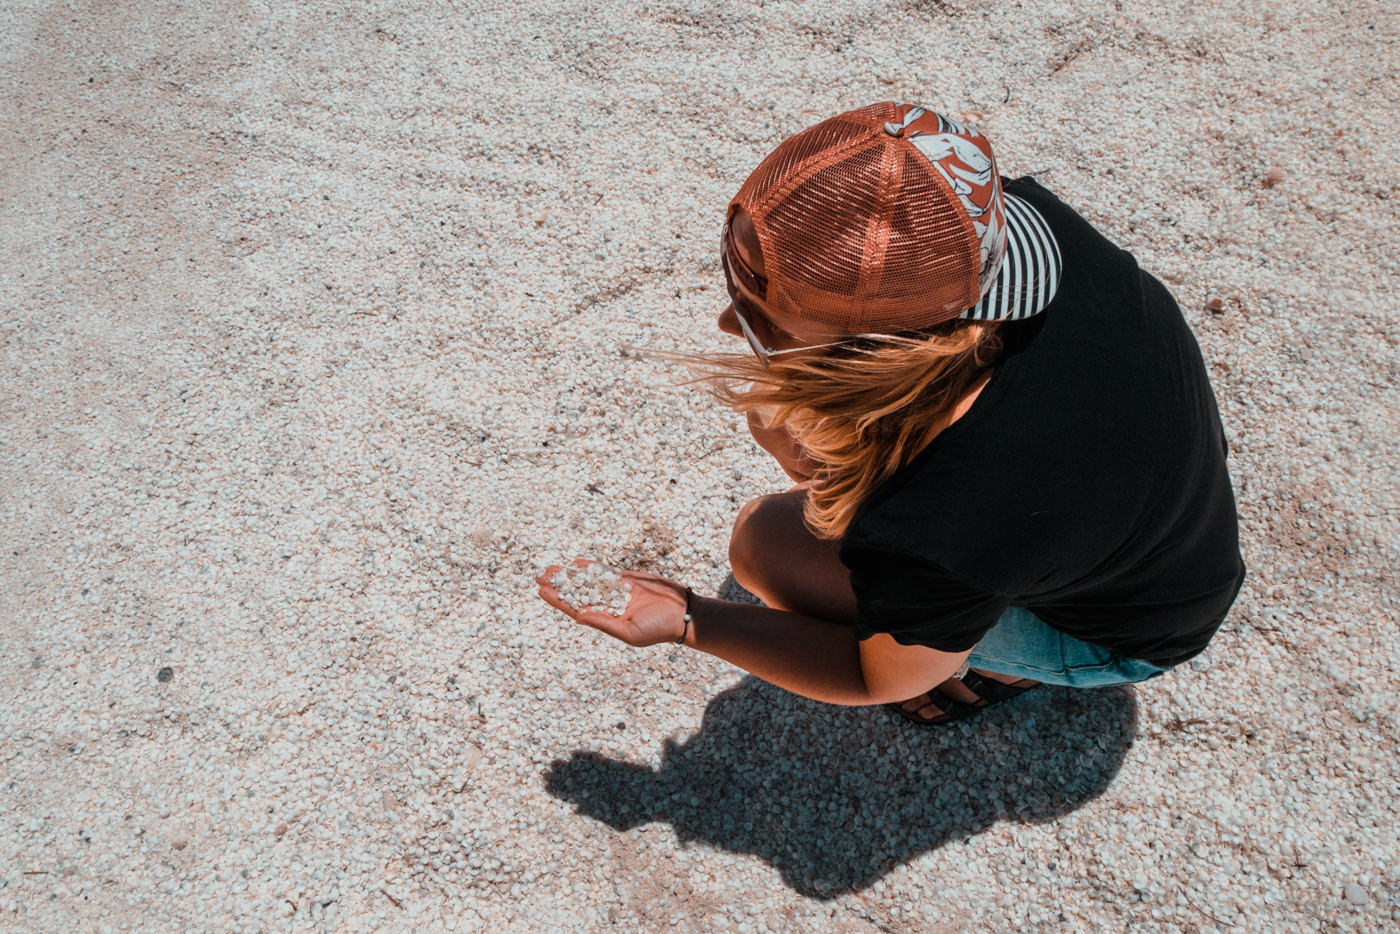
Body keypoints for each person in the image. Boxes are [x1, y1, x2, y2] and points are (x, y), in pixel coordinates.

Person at [537, 103, 1245, 726]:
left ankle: (1009, 663)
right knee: (804, 457)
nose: (728, 325)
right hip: (1164, 534)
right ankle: (967, 618)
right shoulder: (999, 230)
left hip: (1124, 635)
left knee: (762, 542)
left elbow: (869, 676)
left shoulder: (945, 520)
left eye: (761, 319)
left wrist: (693, 621)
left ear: (873, 353)